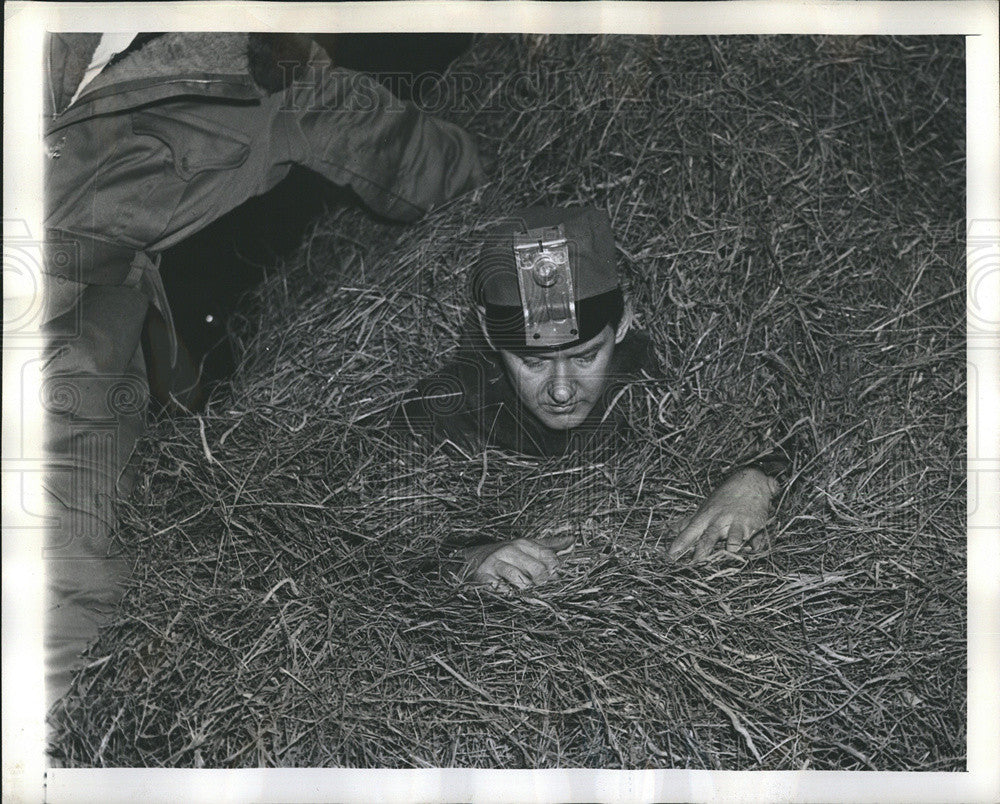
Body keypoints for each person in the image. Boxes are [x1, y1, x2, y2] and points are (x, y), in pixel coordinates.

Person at [41, 32, 486, 708]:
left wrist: (492, 193)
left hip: (69, 333)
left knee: (64, 602)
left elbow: (383, 140)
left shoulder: (256, 64)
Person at [394, 206, 792, 590]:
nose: (562, 390)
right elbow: (376, 544)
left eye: (585, 356)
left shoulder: (668, 383)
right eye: (532, 362)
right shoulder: (440, 413)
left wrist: (754, 480)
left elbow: (796, 427)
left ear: (622, 323)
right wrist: (466, 561)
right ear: (488, 330)